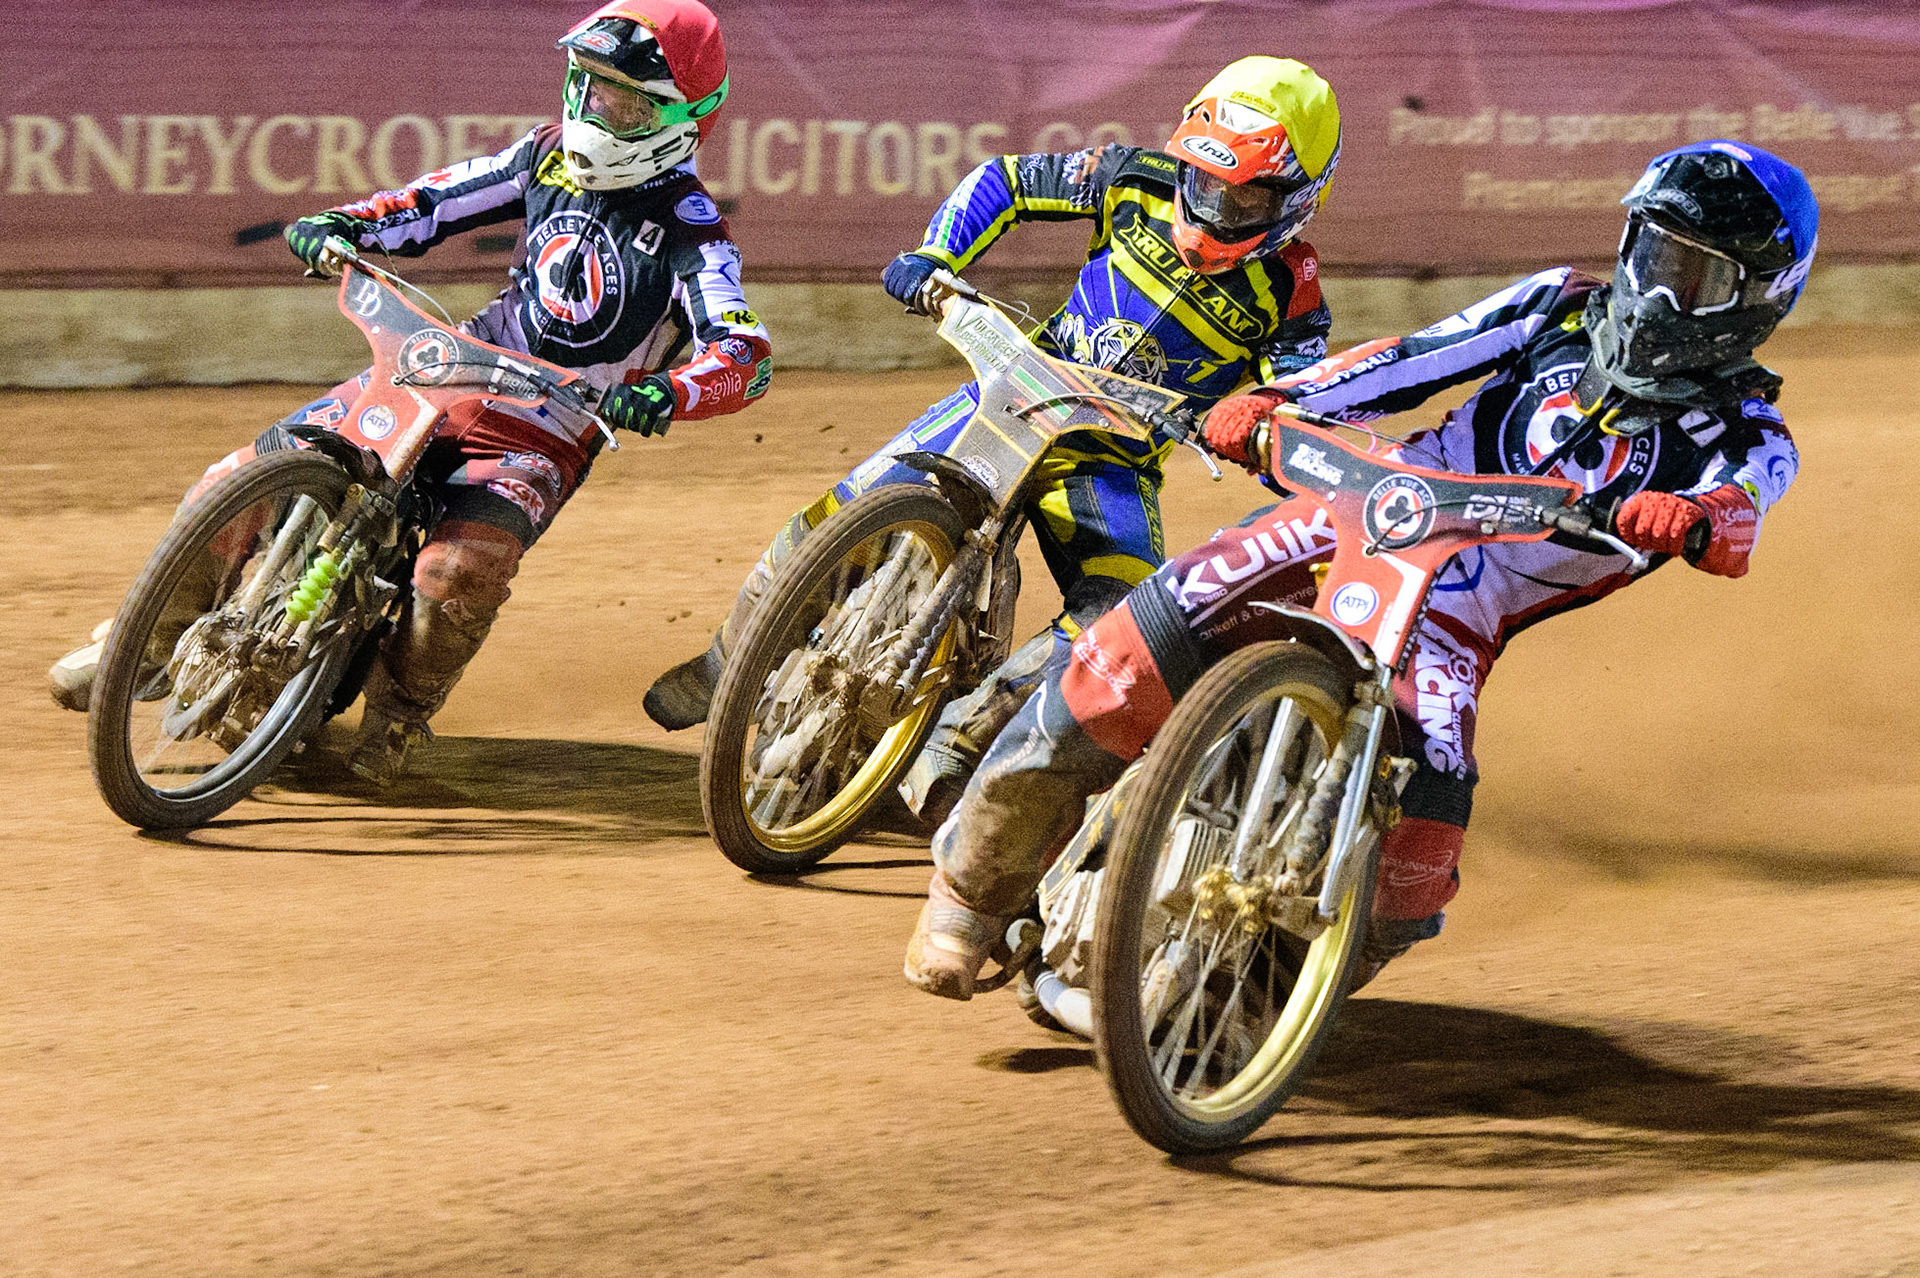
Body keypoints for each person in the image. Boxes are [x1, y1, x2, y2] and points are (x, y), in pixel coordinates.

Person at [905, 140, 1815, 999]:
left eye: (1697, 277)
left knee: (1418, 860)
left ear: (1758, 299)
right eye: (1654, 255)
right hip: (1363, 510)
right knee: (1122, 656)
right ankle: (972, 893)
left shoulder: (1749, 433)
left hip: (1461, 618)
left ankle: (1269, 1007)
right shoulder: (1555, 308)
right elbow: (1409, 362)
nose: (1659, 293)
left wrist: (1696, 518)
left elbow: (1744, 510)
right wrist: (1278, 403)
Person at [50, 0, 773, 785]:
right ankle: (140, 644)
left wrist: (670, 394)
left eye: (628, 101)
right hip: (442, 365)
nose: (602, 110)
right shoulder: (544, 156)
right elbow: (429, 203)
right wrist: (343, 225)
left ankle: (399, 718)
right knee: (242, 477)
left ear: (680, 116)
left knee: (456, 572)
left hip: (547, 425)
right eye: (593, 89)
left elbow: (745, 351)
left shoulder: (691, 228)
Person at [643, 55, 1344, 823]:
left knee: (1118, 613)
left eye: (1243, 196)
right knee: (840, 511)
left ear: (1296, 200)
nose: (1213, 208)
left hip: (1112, 463)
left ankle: (962, 733)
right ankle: (727, 661)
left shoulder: (1294, 289)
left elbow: (1309, 395)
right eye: (1204, 183)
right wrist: (938, 255)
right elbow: (1005, 181)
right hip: (1011, 393)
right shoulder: (1132, 177)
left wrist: (1267, 426)